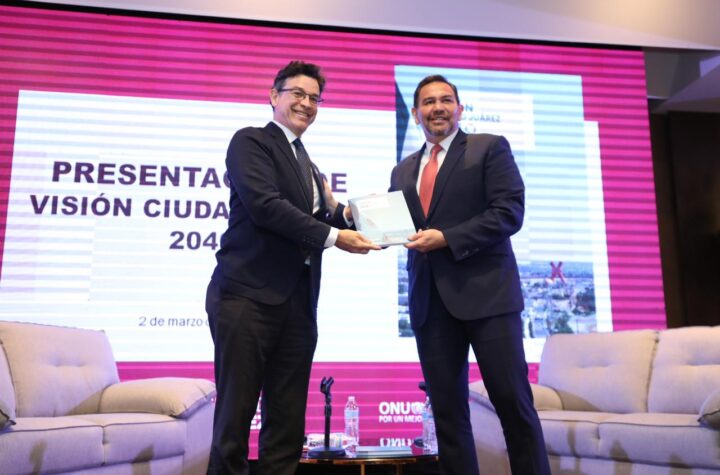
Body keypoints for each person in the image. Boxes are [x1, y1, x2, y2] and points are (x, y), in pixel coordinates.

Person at [206, 60, 380, 475]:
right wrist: (337, 236)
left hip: (298, 304)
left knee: (287, 423)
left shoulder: (309, 166)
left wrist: (358, 216)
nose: (306, 103)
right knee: (235, 418)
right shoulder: (251, 142)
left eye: (314, 98)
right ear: (274, 95)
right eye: (297, 94)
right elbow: (266, 207)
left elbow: (325, 215)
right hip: (247, 297)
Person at [389, 75, 551, 475]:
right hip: (430, 304)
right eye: (428, 102)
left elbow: (508, 213)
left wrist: (447, 238)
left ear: (460, 109)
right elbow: (394, 226)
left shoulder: (488, 148)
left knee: (513, 404)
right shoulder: (402, 171)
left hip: (488, 299)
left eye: (446, 100)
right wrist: (346, 215)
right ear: (416, 113)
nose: (438, 108)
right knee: (447, 414)